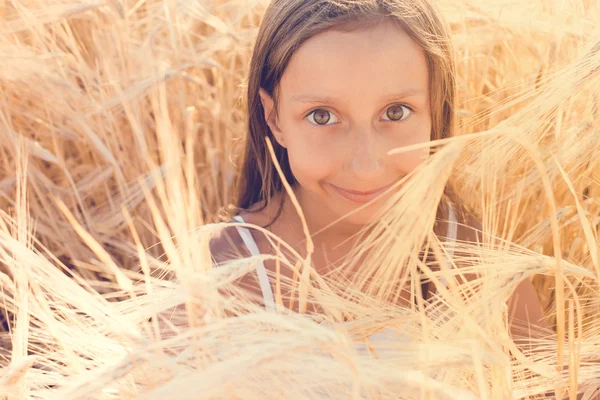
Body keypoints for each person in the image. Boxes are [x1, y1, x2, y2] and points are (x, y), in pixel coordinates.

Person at [211, 0, 546, 335]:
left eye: (396, 112)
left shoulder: (473, 261)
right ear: (274, 118)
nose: (366, 167)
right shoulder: (223, 275)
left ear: (435, 108)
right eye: (322, 116)